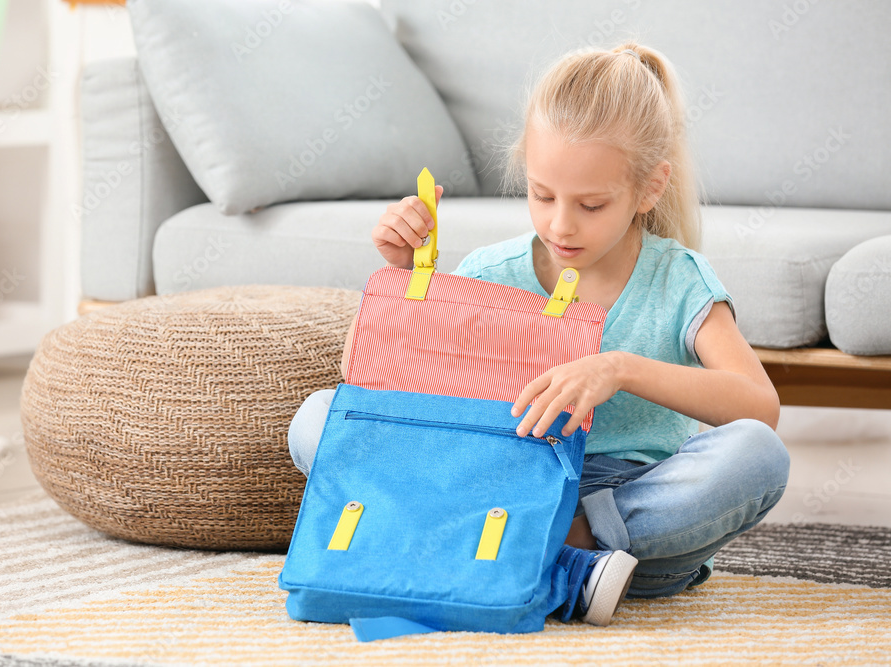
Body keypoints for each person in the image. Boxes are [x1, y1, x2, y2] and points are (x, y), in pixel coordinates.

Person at [287, 42, 790, 627]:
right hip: (498, 489)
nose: (560, 224)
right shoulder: (490, 272)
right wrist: (402, 279)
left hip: (629, 515)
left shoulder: (678, 280)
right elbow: (368, 385)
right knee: (319, 415)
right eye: (542, 195)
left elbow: (760, 407)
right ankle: (563, 572)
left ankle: (560, 546)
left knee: (758, 456)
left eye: (592, 204)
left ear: (649, 189)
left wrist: (619, 368)